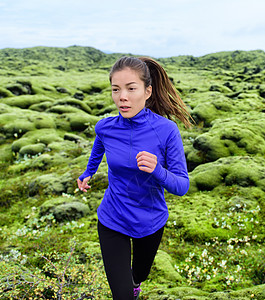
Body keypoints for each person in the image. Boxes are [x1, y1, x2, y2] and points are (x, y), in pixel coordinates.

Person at [77, 56, 192, 300]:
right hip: (112, 218)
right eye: (116, 90)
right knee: (123, 296)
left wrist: (157, 170)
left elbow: (182, 186)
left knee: (139, 274)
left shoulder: (166, 131)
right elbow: (99, 145)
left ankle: (135, 282)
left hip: (150, 221)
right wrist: (88, 172)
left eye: (131, 89)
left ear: (147, 91)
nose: (122, 97)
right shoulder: (105, 127)